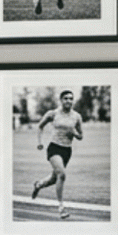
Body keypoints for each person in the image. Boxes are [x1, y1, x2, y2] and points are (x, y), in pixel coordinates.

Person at [30, 88, 83, 219]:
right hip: (54, 148)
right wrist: (39, 142)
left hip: (67, 150)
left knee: (55, 179)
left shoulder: (77, 116)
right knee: (62, 174)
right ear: (61, 100)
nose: (68, 101)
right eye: (66, 98)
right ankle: (61, 208)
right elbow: (40, 126)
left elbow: (81, 136)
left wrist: (75, 133)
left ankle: (38, 184)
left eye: (71, 98)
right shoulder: (53, 113)